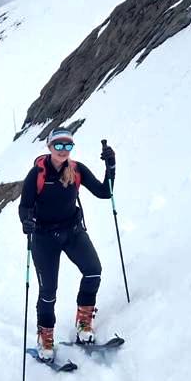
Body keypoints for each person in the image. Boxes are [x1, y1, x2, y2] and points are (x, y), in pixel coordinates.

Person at [18, 128, 116, 361]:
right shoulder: (37, 173)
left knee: (93, 271)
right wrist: (26, 221)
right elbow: (25, 206)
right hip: (44, 238)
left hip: (73, 232)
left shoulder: (77, 170)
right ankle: (45, 338)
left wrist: (111, 166)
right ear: (49, 147)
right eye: (58, 145)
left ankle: (84, 323)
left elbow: (105, 192)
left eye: (68, 145)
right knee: (48, 292)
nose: (63, 150)